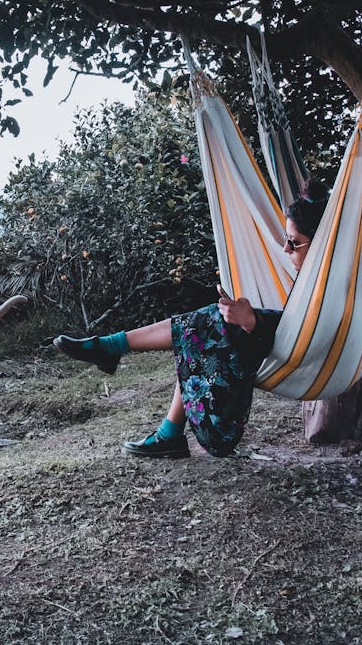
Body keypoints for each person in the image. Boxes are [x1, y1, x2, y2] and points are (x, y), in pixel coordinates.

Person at [53, 179, 329, 459]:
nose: (285, 250)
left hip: (302, 355)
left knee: (207, 324)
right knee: (198, 334)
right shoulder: (312, 279)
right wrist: (251, 320)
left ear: (318, 243)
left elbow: (310, 330)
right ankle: (166, 429)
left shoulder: (334, 284)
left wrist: (252, 322)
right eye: (285, 240)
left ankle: (112, 349)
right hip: (270, 342)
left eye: (293, 243)